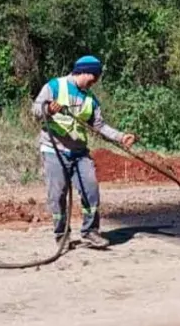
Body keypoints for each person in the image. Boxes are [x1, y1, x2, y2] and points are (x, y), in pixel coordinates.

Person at [31, 55, 136, 249]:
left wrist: (121, 137)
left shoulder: (90, 99)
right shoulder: (54, 86)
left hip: (79, 153)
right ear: (84, 71)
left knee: (91, 189)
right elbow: (35, 109)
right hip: (54, 149)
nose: (95, 82)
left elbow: (100, 126)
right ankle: (61, 235)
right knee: (57, 194)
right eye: (94, 77)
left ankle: (90, 232)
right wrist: (48, 109)